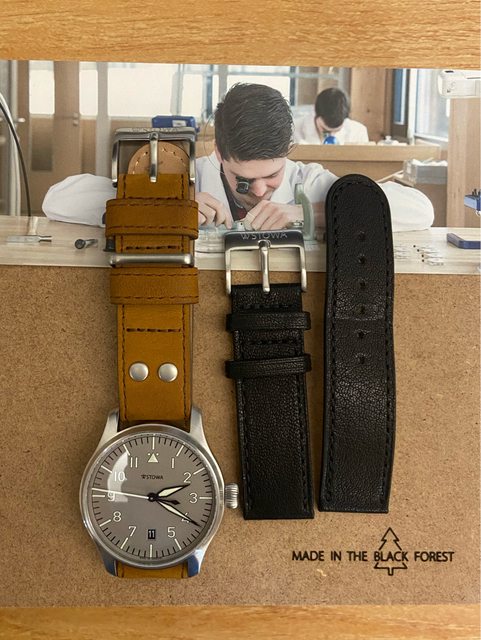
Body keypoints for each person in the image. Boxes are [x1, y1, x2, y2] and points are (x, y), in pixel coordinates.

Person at [196, 83, 433, 232]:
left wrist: (308, 213)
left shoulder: (307, 180)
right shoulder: (191, 180)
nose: (259, 191)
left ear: (287, 150)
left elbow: (421, 211)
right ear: (219, 153)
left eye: (272, 175)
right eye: (244, 180)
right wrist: (177, 212)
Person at [293, 87, 369, 145]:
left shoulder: (358, 132)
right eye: (325, 131)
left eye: (337, 131)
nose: (331, 135)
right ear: (316, 113)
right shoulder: (294, 130)